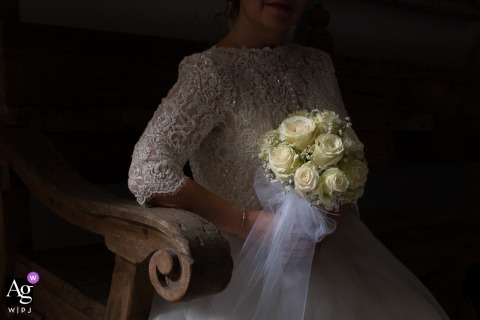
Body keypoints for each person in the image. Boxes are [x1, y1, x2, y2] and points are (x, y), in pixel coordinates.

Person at [128, 0, 450, 319]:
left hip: (329, 244)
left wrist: (324, 223)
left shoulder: (317, 65)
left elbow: (349, 160)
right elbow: (148, 169)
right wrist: (250, 223)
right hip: (243, 257)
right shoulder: (210, 74)